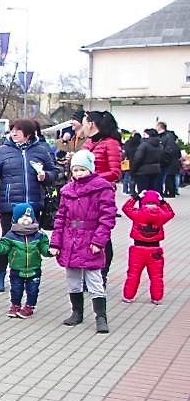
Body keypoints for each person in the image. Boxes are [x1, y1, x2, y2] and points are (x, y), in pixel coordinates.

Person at [0, 119, 58, 292]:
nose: (13, 133)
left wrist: (45, 176)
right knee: (7, 240)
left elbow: (54, 172)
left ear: (28, 133)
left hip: (33, 206)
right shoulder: (2, 151)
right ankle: (0, 274)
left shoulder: (41, 150)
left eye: (17, 130)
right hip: (9, 205)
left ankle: (28, 275)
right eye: (12, 130)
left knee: (30, 243)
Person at [50, 150, 117, 334]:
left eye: (82, 169)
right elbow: (60, 218)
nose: (78, 173)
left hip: (90, 238)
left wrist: (99, 241)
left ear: (90, 169)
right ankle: (76, 312)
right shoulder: (67, 190)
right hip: (70, 239)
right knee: (73, 279)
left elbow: (107, 217)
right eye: (75, 170)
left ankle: (100, 316)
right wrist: (56, 243)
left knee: (94, 279)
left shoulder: (102, 188)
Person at [0, 203, 51, 319]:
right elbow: (2, 249)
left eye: (28, 217)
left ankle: (29, 307)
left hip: (34, 269)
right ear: (16, 219)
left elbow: (44, 248)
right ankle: (15, 305)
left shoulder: (39, 235)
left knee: (33, 290)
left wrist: (50, 251)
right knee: (16, 289)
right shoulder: (11, 236)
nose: (25, 219)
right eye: (22, 217)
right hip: (16, 269)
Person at [80, 111, 123, 283]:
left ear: (91, 123)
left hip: (101, 196)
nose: (82, 126)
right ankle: (86, 271)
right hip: (83, 195)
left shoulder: (110, 143)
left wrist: (91, 179)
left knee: (102, 235)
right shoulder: (88, 142)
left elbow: (115, 172)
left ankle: (101, 275)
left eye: (84, 122)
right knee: (84, 233)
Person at [121, 190, 174, 304]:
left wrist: (135, 198)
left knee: (133, 274)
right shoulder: (161, 215)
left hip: (137, 249)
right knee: (156, 276)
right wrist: (163, 202)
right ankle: (157, 298)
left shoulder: (138, 213)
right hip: (155, 250)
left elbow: (126, 208)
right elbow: (170, 213)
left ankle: (128, 296)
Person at [131, 129, 164, 194]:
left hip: (142, 171)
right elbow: (162, 158)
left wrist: (133, 170)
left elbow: (138, 158)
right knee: (152, 192)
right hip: (155, 170)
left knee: (143, 193)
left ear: (148, 135)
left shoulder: (144, 145)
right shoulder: (160, 146)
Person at [156, 121, 181, 197]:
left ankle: (170, 193)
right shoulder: (171, 140)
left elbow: (166, 151)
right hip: (172, 162)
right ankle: (172, 192)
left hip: (168, 162)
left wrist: (164, 160)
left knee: (168, 178)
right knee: (171, 178)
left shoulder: (165, 137)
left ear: (160, 127)